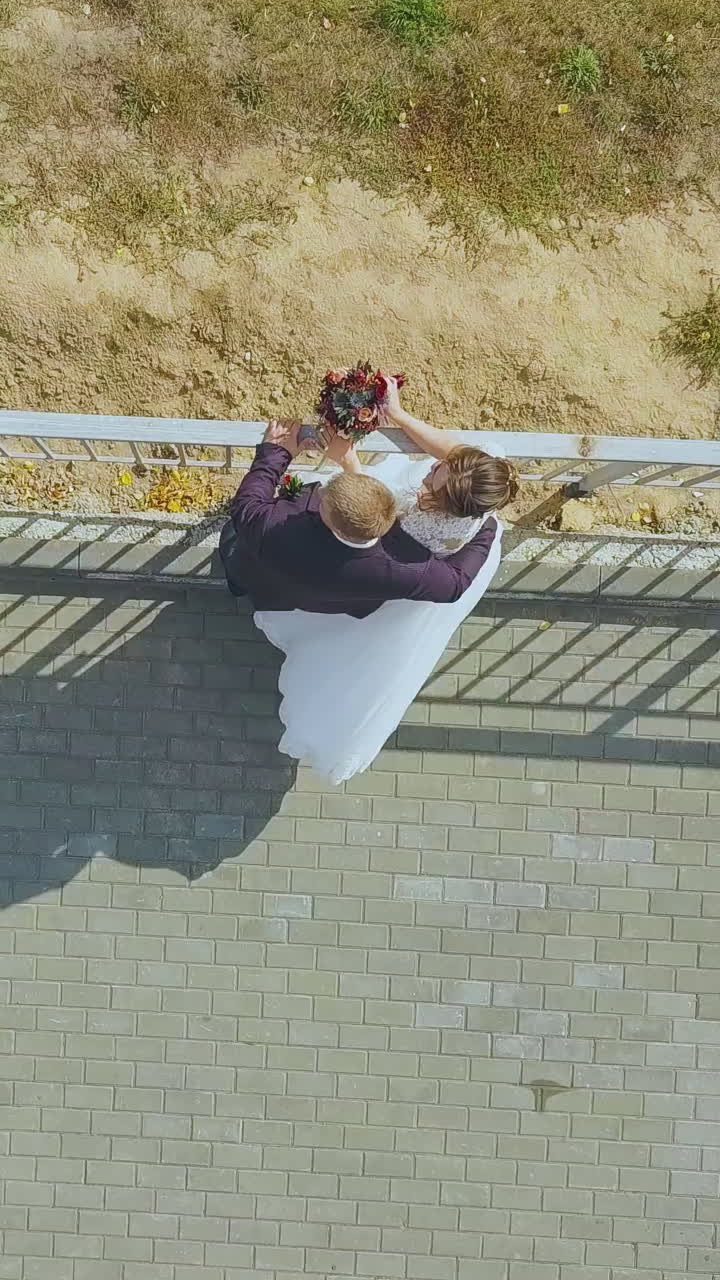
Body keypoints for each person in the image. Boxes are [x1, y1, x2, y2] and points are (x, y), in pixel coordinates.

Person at [220, 378, 517, 785]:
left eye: (435, 478)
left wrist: (303, 458)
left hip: (284, 576)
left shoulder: (389, 554)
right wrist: (397, 415)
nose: (432, 467)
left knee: (252, 568)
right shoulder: (474, 497)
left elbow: (249, 509)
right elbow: (452, 582)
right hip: (361, 568)